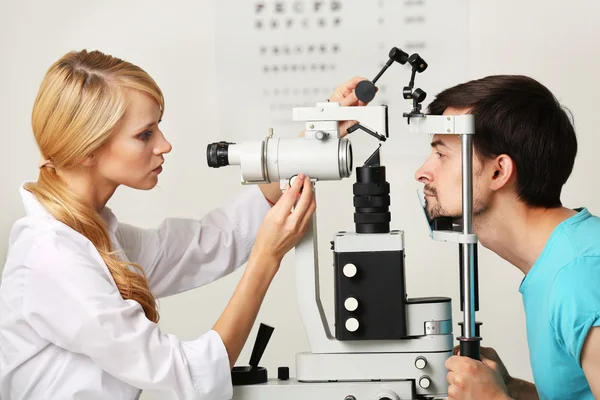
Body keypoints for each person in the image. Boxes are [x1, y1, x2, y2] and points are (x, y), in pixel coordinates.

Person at [0, 49, 368, 400]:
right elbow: (191, 377)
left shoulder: (92, 234)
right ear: (88, 148)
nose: (165, 145)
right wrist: (266, 258)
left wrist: (313, 140)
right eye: (145, 134)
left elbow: (210, 243)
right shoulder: (53, 257)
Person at [414, 74, 600, 399]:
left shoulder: (580, 276)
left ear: (499, 172)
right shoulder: (557, 263)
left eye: (442, 154)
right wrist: (511, 389)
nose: (422, 172)